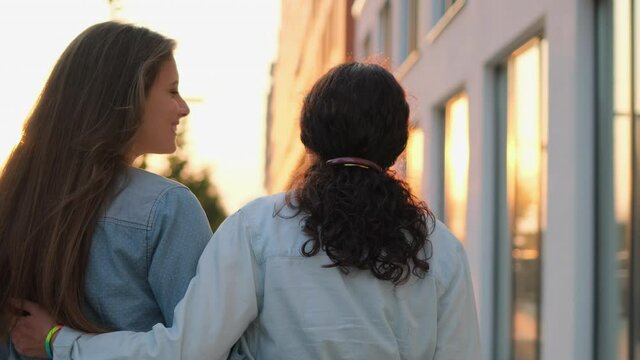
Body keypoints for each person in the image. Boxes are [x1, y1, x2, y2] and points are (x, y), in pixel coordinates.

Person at [11, 62, 481, 359]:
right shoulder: (439, 247)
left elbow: (185, 351)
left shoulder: (257, 229)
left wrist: (60, 341)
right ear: (398, 142)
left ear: (308, 136)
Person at [0, 21, 213, 359]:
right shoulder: (168, 208)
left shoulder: (16, 197)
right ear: (127, 97)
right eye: (172, 91)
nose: (183, 107)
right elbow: (204, 349)